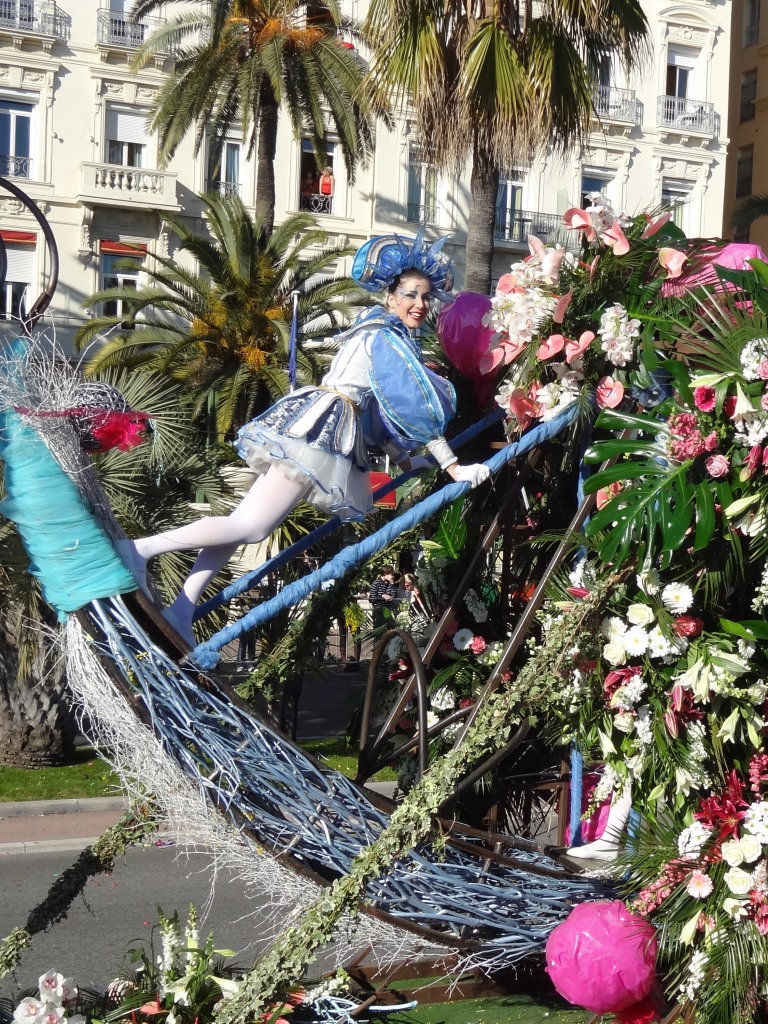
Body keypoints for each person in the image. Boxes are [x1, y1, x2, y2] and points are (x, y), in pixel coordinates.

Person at [116, 229, 491, 645]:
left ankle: (182, 610)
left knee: (242, 524)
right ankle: (141, 549)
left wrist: (404, 460)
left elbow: (375, 413)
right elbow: (412, 403)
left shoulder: (380, 330)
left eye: (425, 297)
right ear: (390, 297)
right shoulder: (384, 336)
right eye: (410, 294)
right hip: (319, 431)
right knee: (251, 527)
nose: (420, 304)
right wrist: (452, 465)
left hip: (322, 423)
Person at [369, 565, 400, 630]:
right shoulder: (376, 583)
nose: (393, 575)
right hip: (378, 608)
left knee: (391, 627)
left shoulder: (390, 583)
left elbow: (394, 595)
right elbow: (372, 597)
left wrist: (392, 583)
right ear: (386, 574)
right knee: (380, 627)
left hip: (389, 608)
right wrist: (382, 596)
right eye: (391, 573)